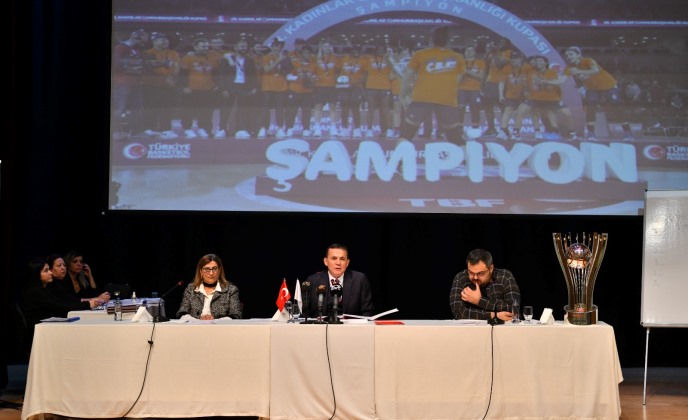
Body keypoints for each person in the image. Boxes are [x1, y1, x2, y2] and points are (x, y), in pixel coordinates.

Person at [398, 26, 466, 144]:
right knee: (454, 136)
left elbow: (407, 76)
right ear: (449, 40)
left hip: (421, 98)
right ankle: (466, 156)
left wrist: (402, 95)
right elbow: (459, 80)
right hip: (447, 100)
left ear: (431, 39)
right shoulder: (458, 58)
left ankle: (398, 156)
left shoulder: (420, 54)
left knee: (407, 134)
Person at [20, 258, 103, 346]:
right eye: (46, 271)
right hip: (41, 332)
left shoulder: (43, 289)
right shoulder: (34, 291)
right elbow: (60, 306)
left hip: (47, 328)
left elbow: (62, 304)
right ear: (36, 274)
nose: (50, 273)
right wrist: (88, 304)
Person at [449, 249, 520, 322]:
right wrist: (493, 315)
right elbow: (458, 312)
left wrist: (479, 301)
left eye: (480, 273)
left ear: (491, 269)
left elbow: (514, 310)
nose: (475, 277)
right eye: (471, 273)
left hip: (502, 328)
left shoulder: (505, 277)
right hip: (470, 329)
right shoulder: (461, 278)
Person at [305, 243, 374, 318]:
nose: (338, 263)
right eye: (334, 258)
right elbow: (304, 312)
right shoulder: (313, 281)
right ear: (326, 261)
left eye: (342, 259)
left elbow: (367, 313)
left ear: (347, 263)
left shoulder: (360, 280)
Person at [176, 254, 242, 320]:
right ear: (201, 271)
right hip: (194, 326)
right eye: (207, 269)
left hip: (220, 326)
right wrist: (198, 321)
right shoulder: (191, 288)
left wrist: (214, 321)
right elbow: (181, 313)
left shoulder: (231, 290)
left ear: (219, 271)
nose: (211, 273)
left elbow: (236, 315)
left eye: (214, 269)